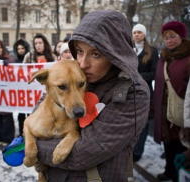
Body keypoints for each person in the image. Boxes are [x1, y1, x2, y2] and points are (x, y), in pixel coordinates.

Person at [30, 10, 150, 181]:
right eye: (79, 51)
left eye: (96, 54)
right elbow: (37, 115)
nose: (83, 64)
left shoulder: (133, 92)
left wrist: (34, 149)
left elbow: (84, 153)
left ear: (115, 54)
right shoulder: (74, 75)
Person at [154, 21, 190, 182]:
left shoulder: (188, 57)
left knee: (181, 145)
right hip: (164, 109)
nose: (169, 40)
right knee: (167, 143)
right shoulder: (164, 57)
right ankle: (169, 170)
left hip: (183, 110)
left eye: (173, 36)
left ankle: (179, 175)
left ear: (182, 36)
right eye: (166, 37)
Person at [132, 24, 159, 162]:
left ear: (144, 34)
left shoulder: (152, 52)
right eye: (134, 32)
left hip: (145, 92)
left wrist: (137, 76)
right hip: (130, 93)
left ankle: (137, 152)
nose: (136, 34)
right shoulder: (129, 50)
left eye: (139, 32)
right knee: (132, 123)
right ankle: (130, 149)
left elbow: (154, 73)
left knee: (143, 123)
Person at [0, 40, 16, 150]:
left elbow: (16, 69)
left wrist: (9, 64)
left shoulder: (10, 59)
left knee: (7, 120)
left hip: (6, 96)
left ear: (3, 48)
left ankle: (7, 139)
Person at [13, 39, 31, 136]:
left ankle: (29, 133)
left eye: (22, 48)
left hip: (29, 92)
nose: (20, 50)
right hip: (19, 92)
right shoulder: (14, 61)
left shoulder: (30, 60)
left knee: (29, 114)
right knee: (20, 115)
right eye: (18, 48)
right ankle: (21, 132)